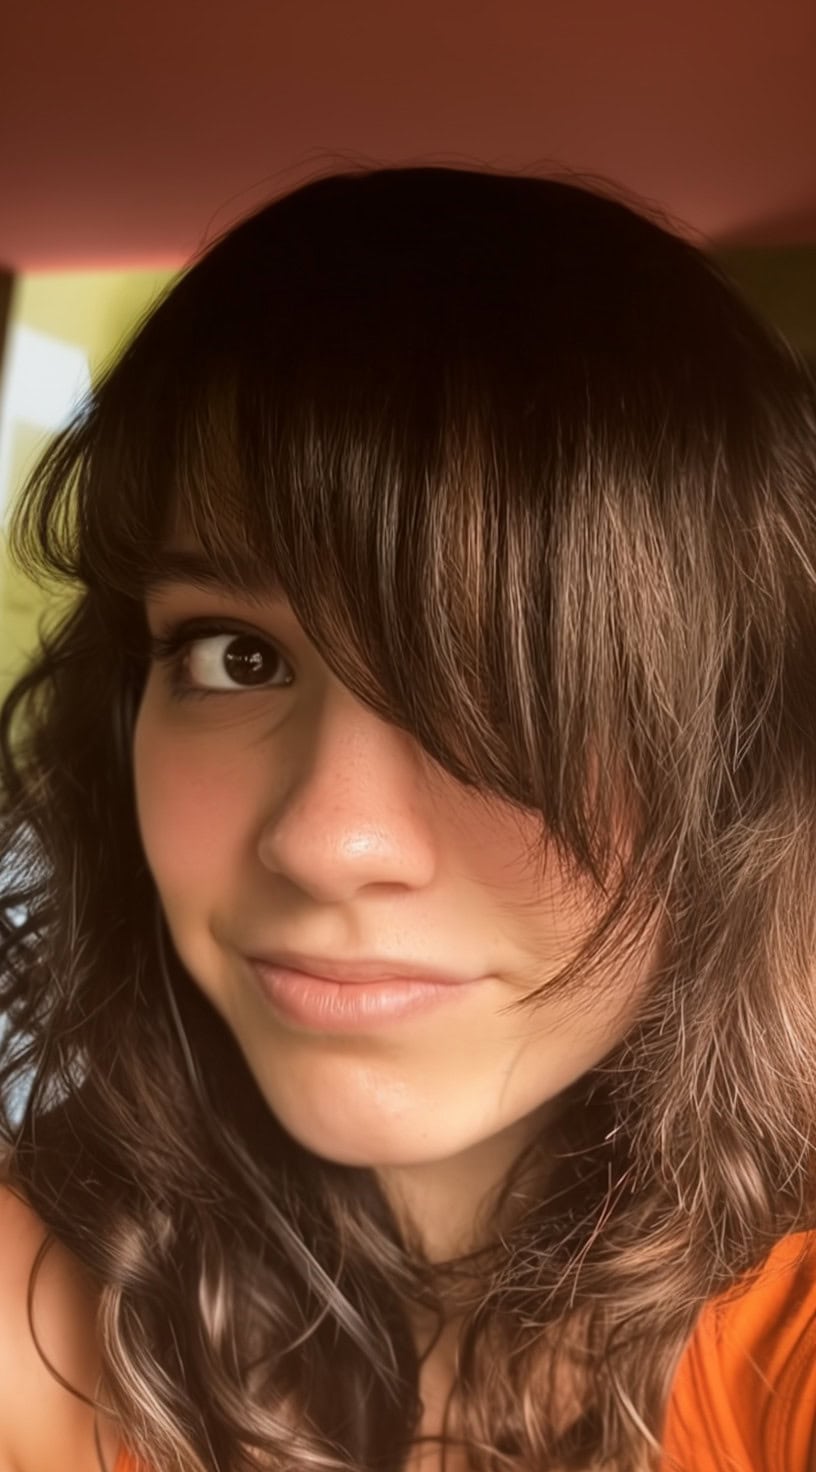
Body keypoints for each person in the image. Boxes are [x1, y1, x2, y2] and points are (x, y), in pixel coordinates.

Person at [0, 164, 815, 1472]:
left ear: (738, 769)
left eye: (518, 680)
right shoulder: (34, 1325)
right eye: (234, 657)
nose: (331, 840)